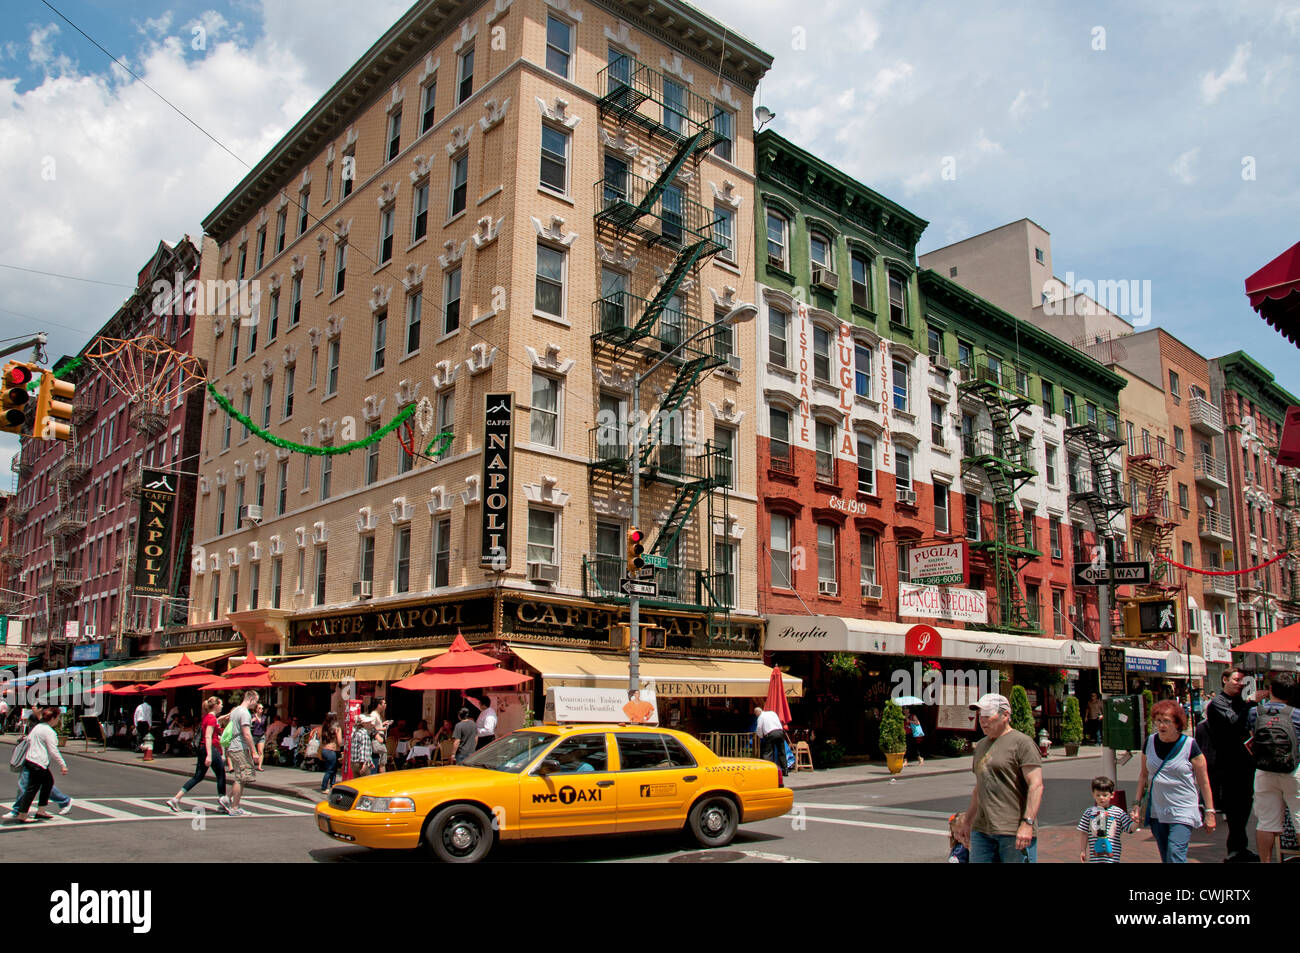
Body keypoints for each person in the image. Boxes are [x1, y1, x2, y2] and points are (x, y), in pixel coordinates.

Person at [954, 693, 1043, 863]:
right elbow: (980, 787)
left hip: (1012, 830)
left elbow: (1036, 785)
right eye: (981, 716)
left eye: (988, 715)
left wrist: (1027, 823)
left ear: (1005, 715)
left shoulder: (1022, 743)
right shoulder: (980, 745)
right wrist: (968, 821)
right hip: (982, 829)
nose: (982, 720)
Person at [1132, 699, 1216, 863]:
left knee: (1175, 853)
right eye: (1158, 721)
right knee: (1166, 857)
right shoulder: (1149, 742)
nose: (1162, 725)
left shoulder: (1190, 745)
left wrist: (1210, 812)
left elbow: (1204, 781)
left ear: (1177, 724)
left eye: (1167, 721)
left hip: (1183, 808)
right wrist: (1137, 803)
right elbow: (1143, 775)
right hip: (1158, 809)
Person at [1244, 672, 1300, 863]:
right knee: (1299, 820)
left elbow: (1253, 736)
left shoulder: (1255, 712)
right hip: (1293, 771)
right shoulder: (1297, 715)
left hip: (1264, 771)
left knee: (1266, 822)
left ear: (1270, 690)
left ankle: (1265, 861)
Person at [1206, 666, 1258, 862]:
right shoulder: (1218, 704)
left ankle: (1240, 848)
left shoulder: (1239, 702)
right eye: (1236, 680)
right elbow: (1234, 722)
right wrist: (1249, 703)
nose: (1240, 684)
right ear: (1224, 680)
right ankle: (1235, 851)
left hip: (1245, 763)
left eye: (1242, 681)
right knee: (1234, 810)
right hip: (1228, 765)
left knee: (1245, 806)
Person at [5, 708, 68, 822]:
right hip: (39, 763)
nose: (58, 720)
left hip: (31, 760)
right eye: (57, 718)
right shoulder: (49, 731)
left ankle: (41, 811)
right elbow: (53, 750)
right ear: (53, 718)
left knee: (48, 783)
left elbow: (29, 740)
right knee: (32, 789)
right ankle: (23, 814)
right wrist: (62, 764)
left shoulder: (37, 727)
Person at [167, 697, 226, 814]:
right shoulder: (211, 719)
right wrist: (209, 755)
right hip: (211, 749)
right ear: (216, 706)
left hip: (203, 749)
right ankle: (222, 801)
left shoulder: (208, 717)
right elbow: (208, 736)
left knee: (198, 776)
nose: (222, 706)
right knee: (221, 775)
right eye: (221, 704)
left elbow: (215, 721)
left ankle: (175, 799)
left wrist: (229, 714)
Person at [1078, 775, 1136, 863]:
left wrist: (1136, 822)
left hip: (1112, 859)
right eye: (1098, 795)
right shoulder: (1089, 813)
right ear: (1093, 794)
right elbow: (1084, 833)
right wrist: (1082, 850)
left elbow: (1130, 828)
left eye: (1105, 795)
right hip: (1095, 859)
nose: (1101, 798)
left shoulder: (1118, 812)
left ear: (1112, 795)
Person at [223, 690, 258, 817]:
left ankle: (227, 799)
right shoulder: (244, 713)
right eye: (256, 701)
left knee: (241, 777)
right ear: (251, 699)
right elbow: (246, 733)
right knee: (241, 778)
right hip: (240, 747)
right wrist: (254, 751)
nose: (256, 704)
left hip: (233, 746)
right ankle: (234, 807)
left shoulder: (236, 710)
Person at [753, 705, 786, 772]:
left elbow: (759, 728)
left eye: (756, 714)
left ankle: (767, 770)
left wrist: (761, 736)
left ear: (757, 713)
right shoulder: (772, 713)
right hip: (780, 732)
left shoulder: (760, 717)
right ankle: (785, 770)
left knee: (768, 752)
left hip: (770, 734)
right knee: (781, 752)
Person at [319, 713, 342, 792]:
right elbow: (339, 742)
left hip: (324, 750)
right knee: (330, 770)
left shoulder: (324, 727)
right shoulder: (337, 728)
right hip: (331, 751)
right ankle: (324, 787)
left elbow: (321, 740)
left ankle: (332, 786)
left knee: (332, 769)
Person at [350, 709, 373, 778]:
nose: (371, 724)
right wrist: (364, 764)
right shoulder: (364, 734)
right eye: (369, 722)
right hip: (361, 763)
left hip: (354, 762)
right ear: (364, 724)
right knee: (365, 784)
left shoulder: (355, 732)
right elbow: (363, 750)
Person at [250, 703, 268, 771]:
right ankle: (251, 765)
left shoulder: (264, 717)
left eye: (262, 708)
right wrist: (252, 721)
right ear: (256, 709)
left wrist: (265, 733)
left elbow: (265, 726)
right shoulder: (252, 716)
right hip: (254, 735)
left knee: (260, 751)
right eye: (259, 708)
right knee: (252, 751)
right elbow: (248, 725)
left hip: (261, 735)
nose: (261, 710)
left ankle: (259, 766)